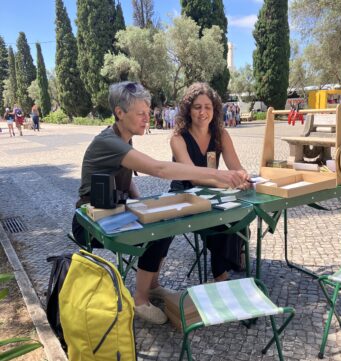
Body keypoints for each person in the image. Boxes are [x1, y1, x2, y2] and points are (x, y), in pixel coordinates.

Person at [72, 81, 248, 325]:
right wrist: (221, 175)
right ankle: (140, 299)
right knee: (158, 228)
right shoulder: (109, 142)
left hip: (113, 209)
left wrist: (140, 203)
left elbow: (125, 181)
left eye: (148, 112)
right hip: (90, 221)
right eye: (141, 114)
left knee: (165, 220)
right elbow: (160, 169)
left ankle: (152, 286)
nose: (147, 118)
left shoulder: (122, 137)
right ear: (120, 113)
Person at [169, 82, 250, 281]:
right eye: (197, 107)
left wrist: (242, 176)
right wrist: (226, 182)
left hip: (214, 190)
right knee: (219, 221)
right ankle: (220, 275)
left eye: (208, 107)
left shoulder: (221, 134)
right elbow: (193, 176)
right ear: (188, 110)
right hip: (185, 193)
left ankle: (234, 257)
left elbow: (236, 166)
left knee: (242, 211)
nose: (203, 112)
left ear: (214, 110)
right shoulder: (178, 138)